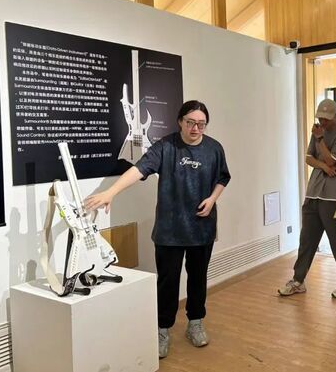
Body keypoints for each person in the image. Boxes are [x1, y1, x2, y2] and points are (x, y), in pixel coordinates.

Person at [85, 100, 231, 359]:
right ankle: (162, 329)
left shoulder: (214, 148)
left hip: (202, 228)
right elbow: (138, 170)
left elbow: (223, 177)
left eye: (201, 124)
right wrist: (110, 192)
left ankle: (195, 323)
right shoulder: (165, 146)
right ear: (180, 121)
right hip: (169, 231)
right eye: (190, 122)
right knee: (167, 282)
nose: (196, 128)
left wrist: (212, 199)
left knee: (198, 279)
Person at [278, 99, 336, 298]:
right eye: (320, 118)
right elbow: (309, 158)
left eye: (326, 119)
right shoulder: (317, 131)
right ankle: (298, 280)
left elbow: (333, 161)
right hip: (313, 192)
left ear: (335, 116)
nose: (323, 122)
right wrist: (323, 166)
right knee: (307, 239)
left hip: (332, 195)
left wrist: (320, 141)